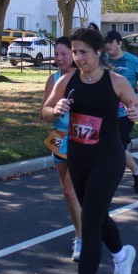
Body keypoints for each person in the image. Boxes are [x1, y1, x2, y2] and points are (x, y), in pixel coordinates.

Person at [41, 27, 138, 274]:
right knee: (95, 214)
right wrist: (55, 109)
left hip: (108, 157)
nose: (78, 57)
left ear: (98, 52)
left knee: (89, 222)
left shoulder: (116, 81)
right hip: (78, 156)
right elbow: (44, 111)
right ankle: (121, 255)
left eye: (83, 52)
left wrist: (137, 111)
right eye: (74, 52)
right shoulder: (67, 80)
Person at [41, 37, 82, 261]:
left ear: (74, 54)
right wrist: (55, 110)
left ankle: (81, 237)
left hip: (81, 139)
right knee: (69, 194)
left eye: (64, 53)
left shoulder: (85, 76)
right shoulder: (54, 79)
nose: (59, 58)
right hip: (59, 138)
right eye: (56, 54)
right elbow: (44, 113)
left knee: (70, 191)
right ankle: (82, 229)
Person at [103, 31, 138, 193]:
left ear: (119, 43)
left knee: (116, 149)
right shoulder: (102, 59)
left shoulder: (133, 61)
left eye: (110, 42)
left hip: (125, 113)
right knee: (113, 149)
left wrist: (133, 90)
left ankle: (107, 187)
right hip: (104, 113)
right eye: (105, 42)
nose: (107, 45)